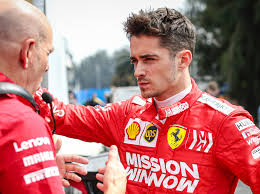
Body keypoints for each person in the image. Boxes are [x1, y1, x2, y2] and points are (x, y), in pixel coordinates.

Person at [35, 7, 260, 193]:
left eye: (148, 59)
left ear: (183, 60)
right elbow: (59, 114)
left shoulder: (225, 121)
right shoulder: (126, 114)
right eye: (134, 61)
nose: (138, 71)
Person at [0, 0, 88, 193]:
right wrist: (115, 188)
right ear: (27, 52)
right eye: (47, 52)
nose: (47, 66)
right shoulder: (21, 123)